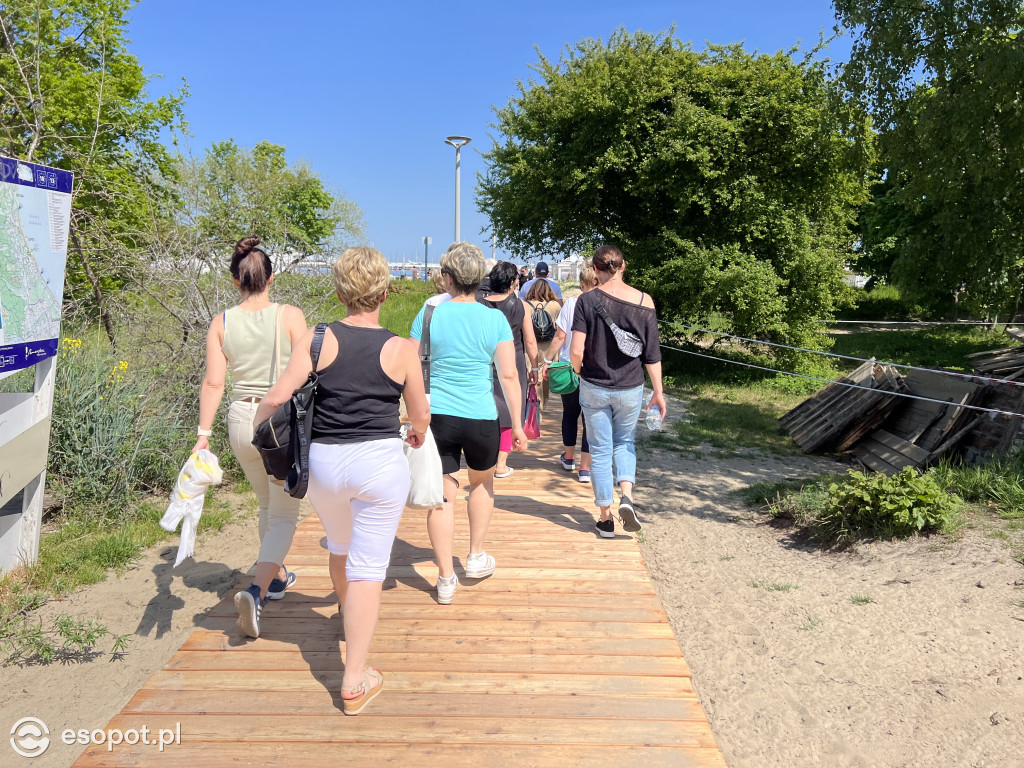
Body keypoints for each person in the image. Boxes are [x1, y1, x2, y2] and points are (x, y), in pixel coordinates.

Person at [254, 246, 429, 715]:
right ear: (386, 293)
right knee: (369, 566)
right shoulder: (402, 349)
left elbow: (277, 395)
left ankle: (346, 614)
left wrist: (263, 436)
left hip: (325, 467)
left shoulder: (318, 339)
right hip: (378, 464)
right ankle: (354, 679)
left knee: (339, 545)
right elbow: (419, 414)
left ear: (338, 291)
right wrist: (416, 433)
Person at [193, 236, 308, 631]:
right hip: (278, 420)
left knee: (265, 503)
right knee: (284, 514)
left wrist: (203, 434)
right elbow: (307, 371)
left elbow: (213, 384)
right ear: (271, 278)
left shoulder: (221, 322)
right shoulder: (290, 316)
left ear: (234, 280)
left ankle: (275, 577)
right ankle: (257, 591)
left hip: (240, 417)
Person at [409, 243, 528, 605]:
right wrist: (519, 426)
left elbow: (410, 368)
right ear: (479, 280)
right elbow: (508, 376)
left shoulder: (428, 315)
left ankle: (445, 578)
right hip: (481, 417)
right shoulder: (494, 319)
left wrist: (411, 415)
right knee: (482, 485)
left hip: (438, 418)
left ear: (447, 278)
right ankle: (476, 557)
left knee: (442, 496)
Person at [570, 245, 666, 539]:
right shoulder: (644, 301)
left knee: (599, 452)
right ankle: (627, 497)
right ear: (623, 266)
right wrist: (658, 393)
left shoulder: (586, 301)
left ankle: (604, 519)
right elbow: (652, 354)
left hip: (594, 386)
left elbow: (576, 350)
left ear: (595, 270)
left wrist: (578, 371)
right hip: (631, 387)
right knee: (624, 443)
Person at [480, 261, 539, 478]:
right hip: (512, 358)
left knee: (488, 404)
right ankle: (501, 463)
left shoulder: (480, 304)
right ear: (514, 282)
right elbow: (530, 342)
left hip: (485, 358)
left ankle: (484, 455)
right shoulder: (520, 306)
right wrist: (535, 366)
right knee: (509, 406)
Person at [543, 262, 598, 483]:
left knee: (570, 413)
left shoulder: (573, 303)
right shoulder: (607, 303)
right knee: (590, 419)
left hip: (569, 367)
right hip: (596, 369)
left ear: (582, 283)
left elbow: (560, 337)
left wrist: (547, 360)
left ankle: (568, 457)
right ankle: (585, 469)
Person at [524, 278, 562, 411]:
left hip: (530, 350)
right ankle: (540, 409)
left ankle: (531, 410)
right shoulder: (555, 306)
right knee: (544, 384)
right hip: (548, 350)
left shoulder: (525, 305)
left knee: (531, 381)